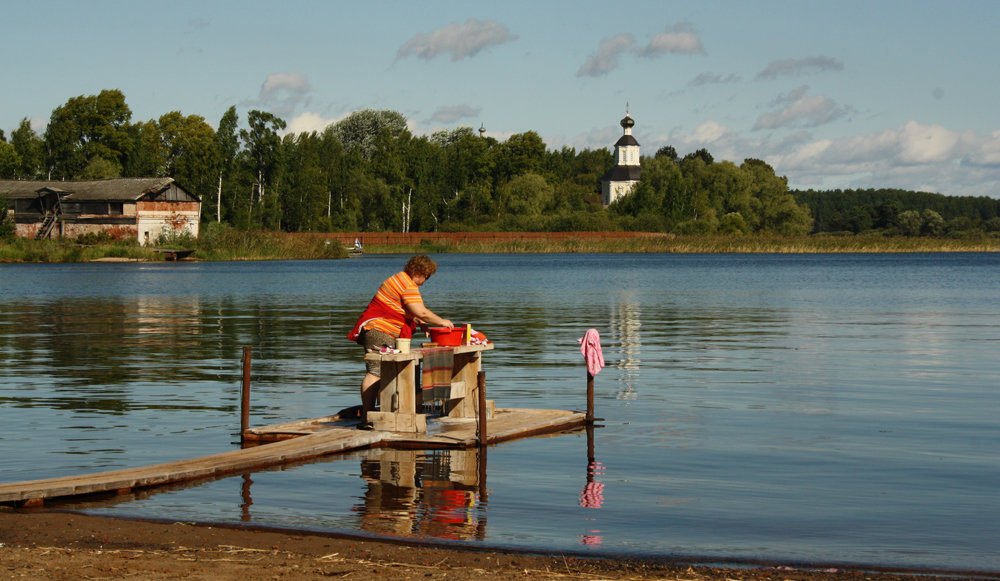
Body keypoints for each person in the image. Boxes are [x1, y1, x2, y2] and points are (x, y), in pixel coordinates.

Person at [347, 255, 453, 429]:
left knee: (386, 371)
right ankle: (367, 417)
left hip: (378, 329)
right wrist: (442, 321)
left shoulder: (399, 279)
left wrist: (423, 324)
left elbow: (404, 310)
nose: (426, 281)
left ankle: (384, 414)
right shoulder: (407, 284)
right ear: (419, 272)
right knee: (376, 370)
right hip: (379, 330)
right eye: (427, 276)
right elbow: (421, 311)